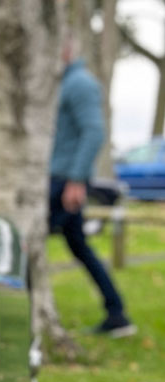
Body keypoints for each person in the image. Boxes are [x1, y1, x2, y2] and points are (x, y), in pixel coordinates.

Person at [51, 47, 134, 337]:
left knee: (27, 242)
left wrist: (76, 180)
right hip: (60, 177)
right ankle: (117, 313)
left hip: (62, 182)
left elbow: (94, 131)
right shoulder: (64, 82)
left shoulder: (80, 83)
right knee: (80, 247)